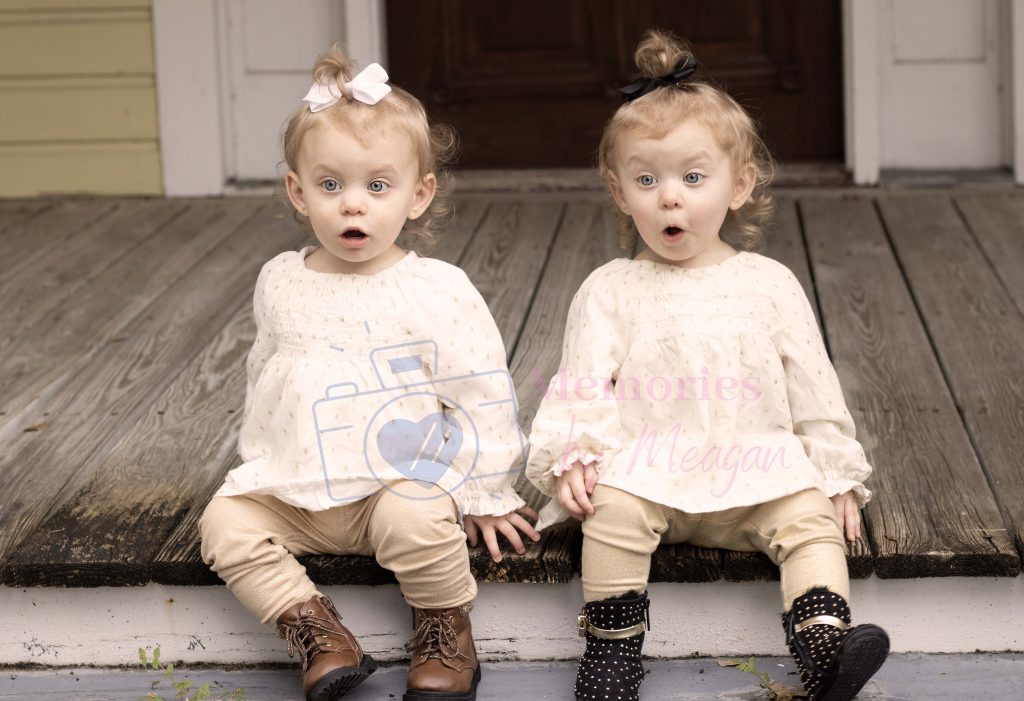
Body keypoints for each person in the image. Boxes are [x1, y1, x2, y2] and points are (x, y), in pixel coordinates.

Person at [526, 30, 889, 701]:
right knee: (609, 511)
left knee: (809, 515)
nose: (670, 197)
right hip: (649, 466)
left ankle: (823, 643)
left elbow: (814, 387)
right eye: (647, 179)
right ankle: (612, 649)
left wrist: (837, 471)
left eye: (693, 178)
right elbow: (580, 386)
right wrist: (575, 455)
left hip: (756, 464)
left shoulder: (769, 282)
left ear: (740, 184)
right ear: (618, 190)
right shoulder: (610, 288)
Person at [199, 45, 539, 701]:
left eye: (376, 186)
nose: (353, 205)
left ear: (419, 194)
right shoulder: (280, 279)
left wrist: (485, 490)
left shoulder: (435, 288)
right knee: (223, 523)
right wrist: (264, 465)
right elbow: (265, 374)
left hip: (396, 481)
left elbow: (480, 391)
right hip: (297, 484)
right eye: (331, 185)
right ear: (299, 192)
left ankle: (443, 624)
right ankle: (316, 628)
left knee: (419, 517)